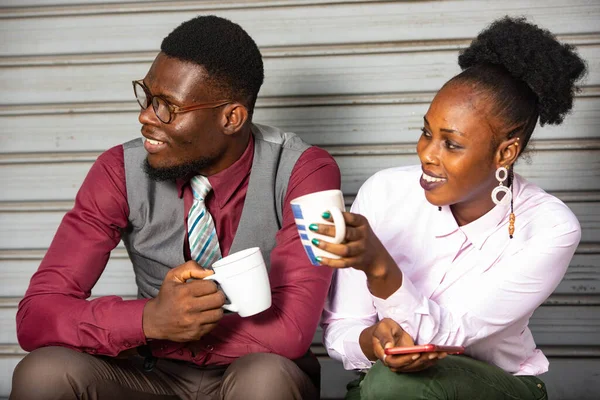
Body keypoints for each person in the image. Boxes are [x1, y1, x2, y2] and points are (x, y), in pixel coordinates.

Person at [11, 15, 340, 400]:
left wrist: (169, 331)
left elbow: (290, 332)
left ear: (231, 117)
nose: (146, 117)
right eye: (147, 96)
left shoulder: (306, 172)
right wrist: (149, 320)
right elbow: (36, 316)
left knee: (264, 378)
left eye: (167, 106)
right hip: (149, 375)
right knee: (44, 373)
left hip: (253, 367)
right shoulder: (117, 171)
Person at [315, 17, 587, 399]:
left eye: (452, 144)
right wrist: (371, 340)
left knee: (391, 385)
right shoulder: (385, 192)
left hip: (497, 387)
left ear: (505, 152)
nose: (427, 154)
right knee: (384, 384)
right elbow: (343, 327)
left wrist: (380, 268)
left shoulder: (549, 227)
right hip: (385, 384)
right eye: (426, 132)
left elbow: (450, 333)